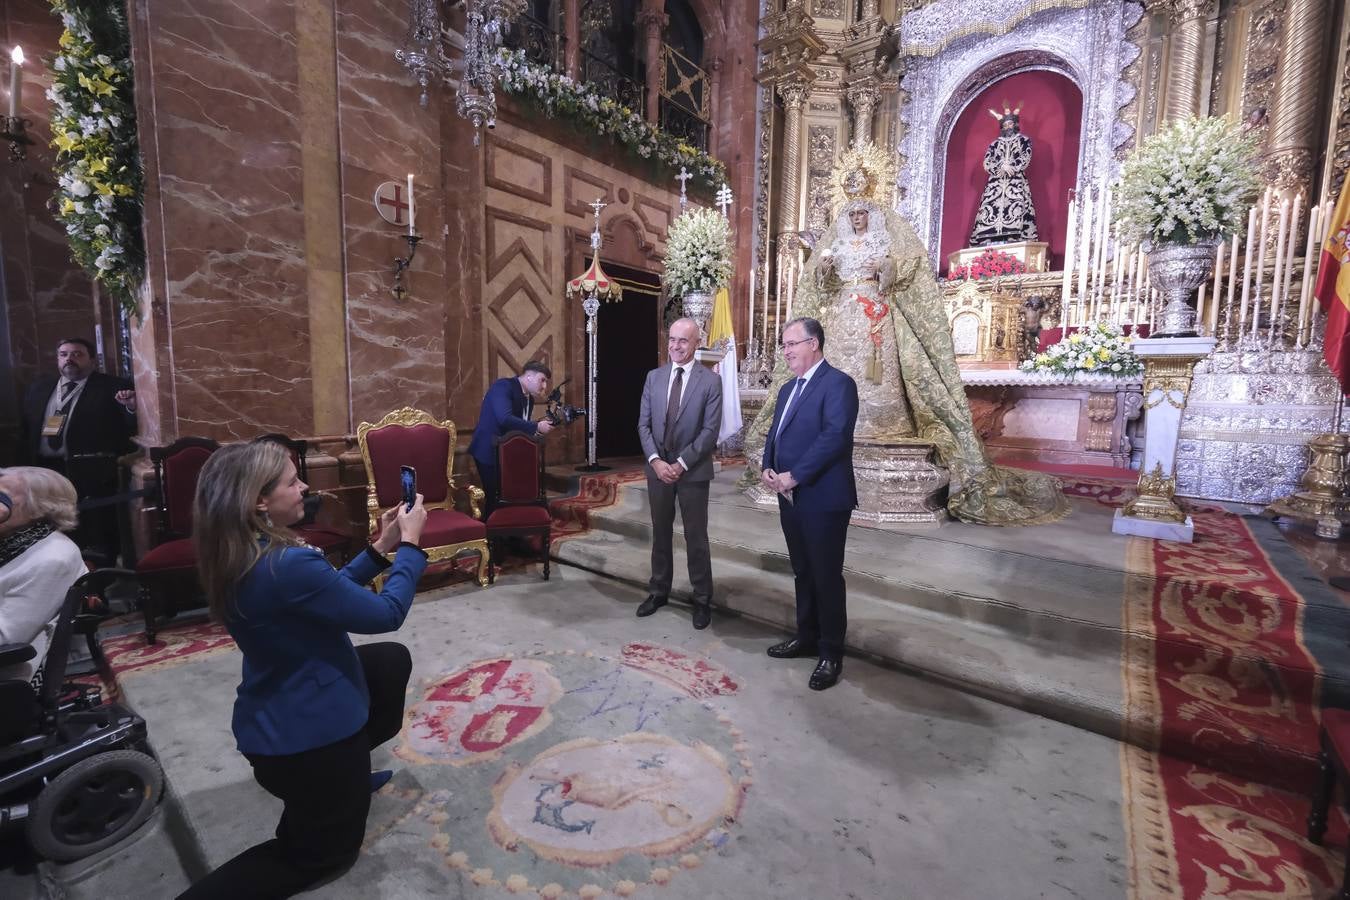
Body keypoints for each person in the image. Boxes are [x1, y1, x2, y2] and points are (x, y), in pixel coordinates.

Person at [742, 143, 1067, 526]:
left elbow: (908, 267)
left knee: (875, 369)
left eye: (863, 212)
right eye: (854, 214)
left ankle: (877, 422)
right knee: (833, 371)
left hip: (876, 314)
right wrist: (825, 267)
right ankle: (834, 421)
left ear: (872, 214)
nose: (858, 218)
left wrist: (887, 266)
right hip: (841, 314)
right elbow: (821, 282)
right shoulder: (836, 242)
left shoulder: (886, 238)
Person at [177, 441, 428, 899]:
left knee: (389, 661)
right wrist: (410, 545)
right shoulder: (287, 563)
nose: (304, 486)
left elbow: (325, 591)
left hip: (274, 714)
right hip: (303, 746)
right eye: (292, 481)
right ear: (258, 500)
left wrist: (381, 545)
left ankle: (346, 779)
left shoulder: (240, 549)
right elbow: (385, 613)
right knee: (318, 856)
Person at [760, 318, 858, 692]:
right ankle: (806, 636)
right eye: (783, 345)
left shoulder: (839, 384)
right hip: (790, 495)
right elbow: (775, 433)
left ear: (814, 343)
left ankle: (831, 651)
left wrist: (794, 475)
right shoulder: (787, 389)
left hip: (823, 496)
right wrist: (769, 467)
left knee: (826, 575)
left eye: (791, 344)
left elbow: (835, 437)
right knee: (803, 570)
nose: (785, 351)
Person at [635, 318, 723, 630]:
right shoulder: (654, 377)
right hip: (658, 470)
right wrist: (657, 461)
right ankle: (658, 590)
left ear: (696, 342)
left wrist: (681, 463)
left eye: (683, 341)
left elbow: (710, 431)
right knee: (660, 532)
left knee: (696, 537)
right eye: (672, 339)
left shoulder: (710, 382)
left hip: (693, 472)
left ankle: (701, 599)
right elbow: (643, 425)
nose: (675, 346)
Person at [16, 337, 137, 564]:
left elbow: (132, 426)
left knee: (97, 530)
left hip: (93, 471)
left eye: (77, 354)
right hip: (47, 471)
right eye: (63, 354)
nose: (69, 359)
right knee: (54, 528)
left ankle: (101, 577)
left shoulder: (112, 386)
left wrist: (130, 407)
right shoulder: (39, 388)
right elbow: (26, 432)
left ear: (92, 359)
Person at [0, 467, 85, 685]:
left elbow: (6, 640)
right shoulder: (11, 545)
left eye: (3, 497)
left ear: (38, 508)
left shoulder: (52, 559)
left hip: (9, 679)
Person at [468, 360, 555, 519]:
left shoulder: (529, 398)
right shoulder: (503, 387)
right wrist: (536, 426)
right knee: (495, 498)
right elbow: (504, 418)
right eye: (542, 380)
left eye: (546, 382)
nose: (544, 387)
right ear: (529, 376)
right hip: (488, 452)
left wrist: (538, 431)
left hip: (508, 454)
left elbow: (518, 428)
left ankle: (512, 535)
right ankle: (492, 538)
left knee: (510, 497)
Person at [970, 104, 1038, 246]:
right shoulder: (994, 144)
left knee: (1017, 207)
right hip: (996, 182)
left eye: (1010, 123)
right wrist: (1000, 167)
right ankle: (988, 239)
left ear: (1015, 124)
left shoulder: (1023, 140)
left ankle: (1015, 237)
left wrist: (1011, 167)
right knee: (989, 209)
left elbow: (1025, 156)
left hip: (1016, 180)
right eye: (1005, 124)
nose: (1008, 127)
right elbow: (987, 161)